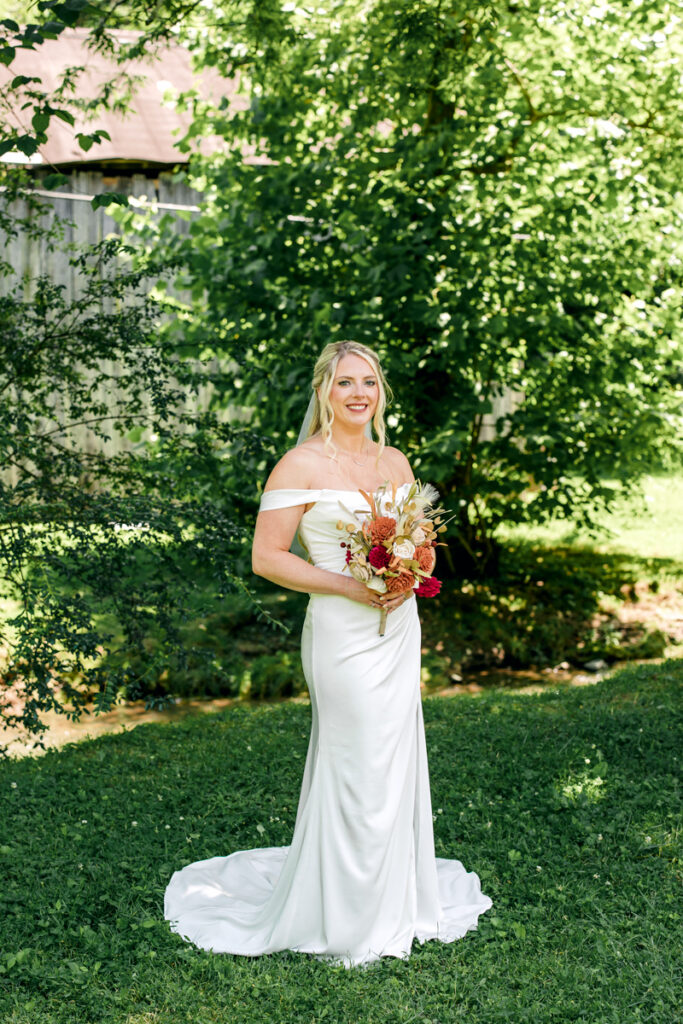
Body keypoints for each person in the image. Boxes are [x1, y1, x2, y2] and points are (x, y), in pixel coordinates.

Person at [164, 341, 492, 967]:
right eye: (345, 382)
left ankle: (395, 898)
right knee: (355, 764)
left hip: (398, 628)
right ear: (323, 391)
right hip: (342, 633)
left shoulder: (394, 460)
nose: (358, 393)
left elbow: (418, 541)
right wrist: (349, 585)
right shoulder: (299, 465)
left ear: (380, 392)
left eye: (368, 382)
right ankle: (346, 914)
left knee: (393, 761)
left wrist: (410, 571)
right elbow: (267, 558)